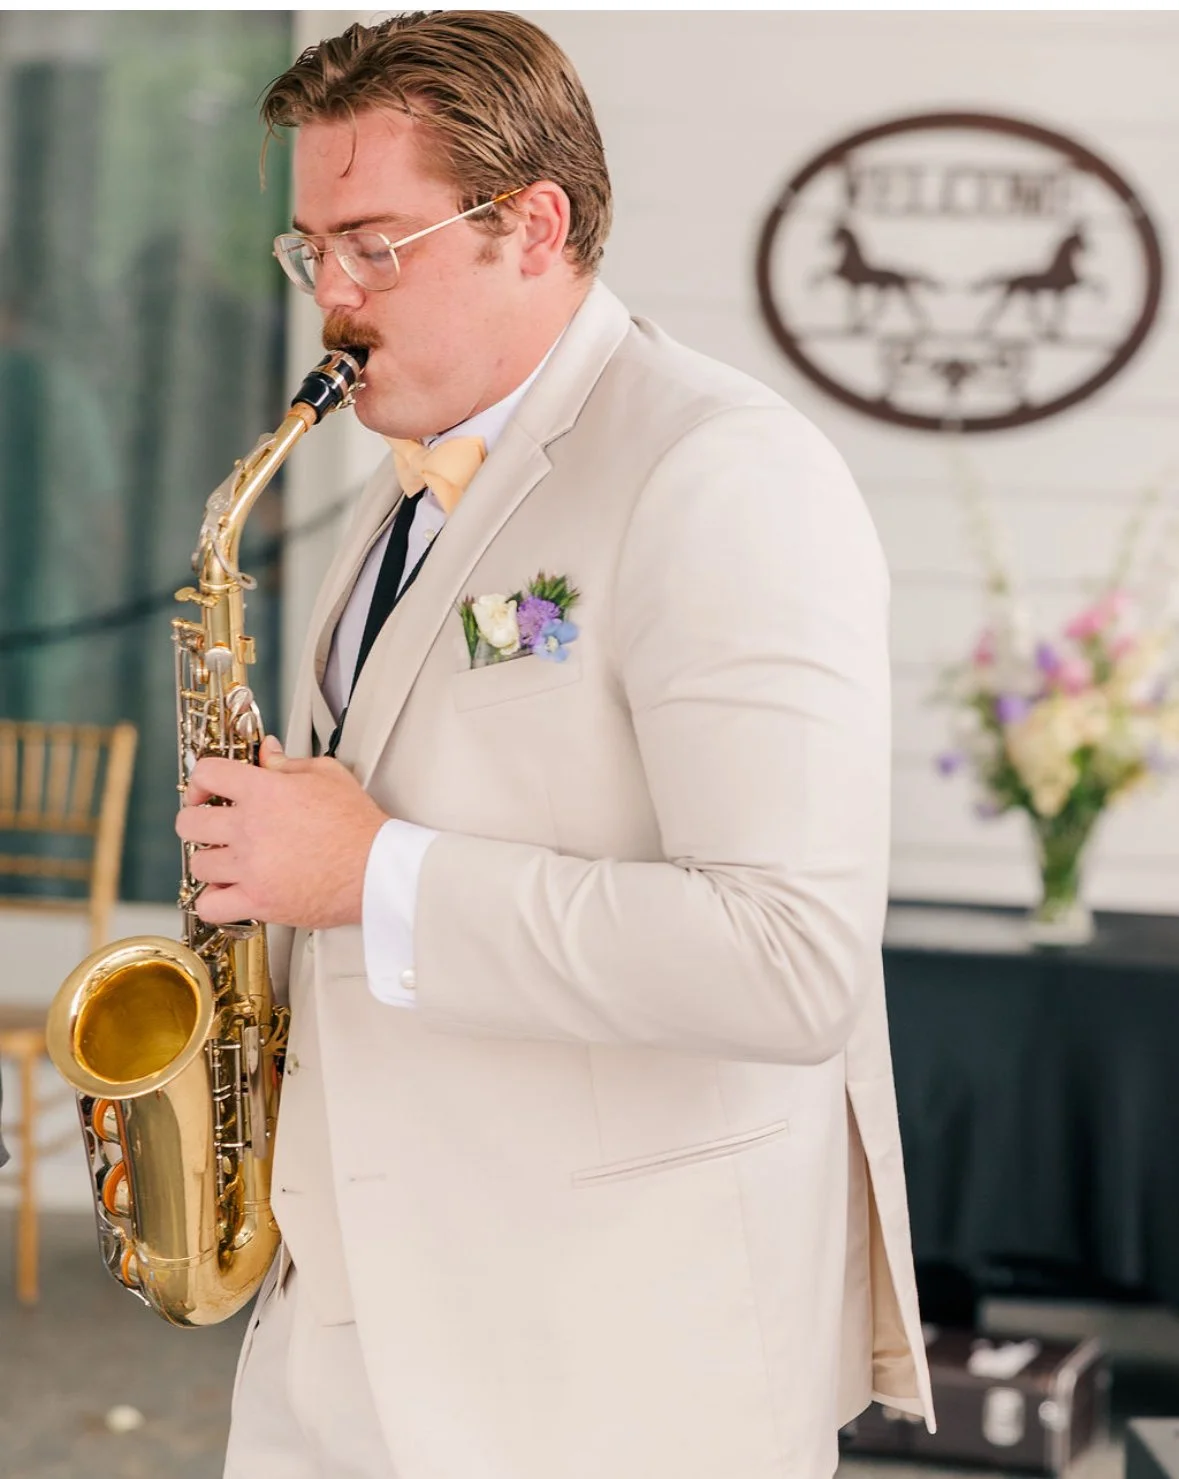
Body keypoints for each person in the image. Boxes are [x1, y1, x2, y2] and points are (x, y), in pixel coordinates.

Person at [177, 12, 935, 1478]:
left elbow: (791, 955)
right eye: (308, 248)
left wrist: (372, 873)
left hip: (598, 1368)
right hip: (346, 1336)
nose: (329, 292)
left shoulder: (722, 471)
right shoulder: (402, 490)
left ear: (535, 224)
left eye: (374, 242)